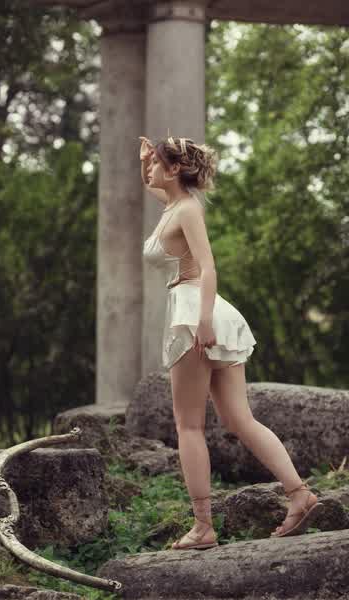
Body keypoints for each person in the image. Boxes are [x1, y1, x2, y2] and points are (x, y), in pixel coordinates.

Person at [139, 135, 324, 551]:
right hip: (202, 312)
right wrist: (145, 160)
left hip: (195, 313)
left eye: (155, 164)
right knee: (239, 419)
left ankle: (202, 527)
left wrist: (203, 321)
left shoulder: (187, 209)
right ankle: (299, 494)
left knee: (189, 425)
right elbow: (153, 187)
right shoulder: (174, 205)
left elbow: (208, 267)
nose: (149, 170)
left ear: (174, 169)